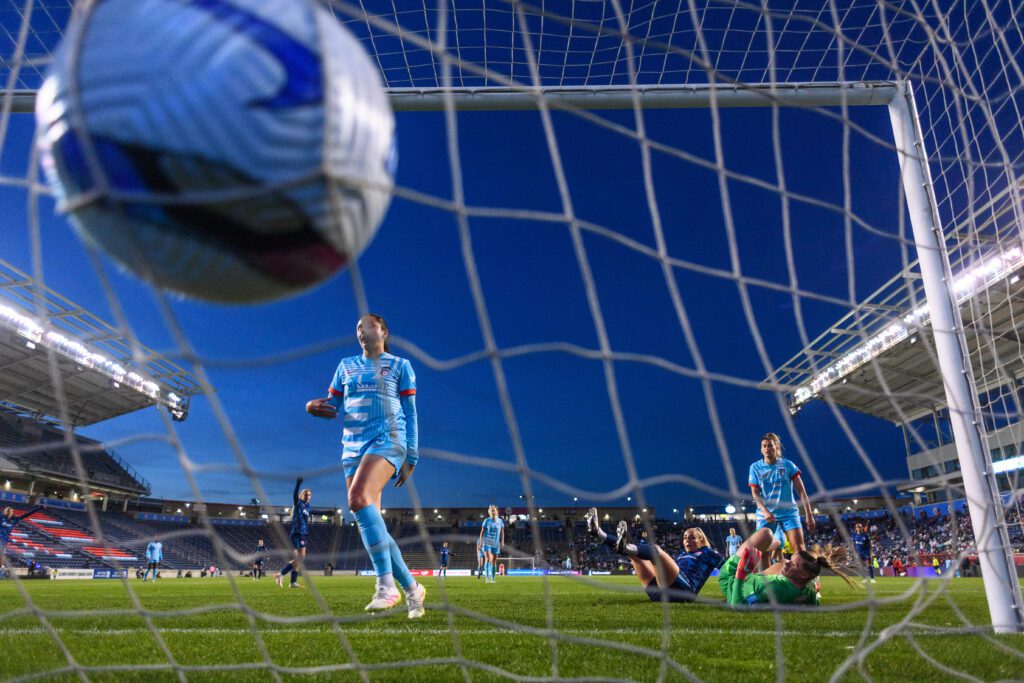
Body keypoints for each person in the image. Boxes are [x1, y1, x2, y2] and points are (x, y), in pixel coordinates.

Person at [306, 313, 425, 618]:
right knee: (371, 522)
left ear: (384, 331)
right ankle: (413, 589)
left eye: (367, 325)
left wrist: (411, 455)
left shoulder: (400, 365)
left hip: (389, 439)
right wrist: (312, 407)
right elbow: (332, 405)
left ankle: (386, 587)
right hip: (352, 448)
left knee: (357, 499)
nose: (361, 330)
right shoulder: (345, 366)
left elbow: (411, 412)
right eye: (357, 327)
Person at [586, 508, 724, 602]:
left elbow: (728, 569)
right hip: (659, 594)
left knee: (656, 551)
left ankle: (626, 546)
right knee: (635, 556)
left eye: (692, 538)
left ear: (701, 540)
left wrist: (732, 594)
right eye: (685, 537)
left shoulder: (709, 553)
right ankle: (598, 533)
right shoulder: (682, 555)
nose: (687, 540)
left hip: (684, 592)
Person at [719, 528, 854, 607]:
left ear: (804, 575)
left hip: (731, 577)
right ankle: (768, 550)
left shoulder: (773, 589)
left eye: (793, 564)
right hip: (759, 579)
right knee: (784, 562)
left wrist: (741, 572)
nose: (788, 563)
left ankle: (768, 548)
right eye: (792, 560)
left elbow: (738, 605)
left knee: (766, 533)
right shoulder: (808, 593)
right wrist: (816, 591)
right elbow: (814, 601)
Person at [748, 433, 815, 565]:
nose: (767, 448)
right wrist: (765, 511)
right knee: (762, 552)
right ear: (761, 449)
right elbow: (755, 494)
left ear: (776, 447)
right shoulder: (755, 467)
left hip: (789, 513)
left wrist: (809, 514)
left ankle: (802, 577)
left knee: (800, 549)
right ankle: (768, 578)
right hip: (766, 515)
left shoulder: (788, 465)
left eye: (770, 445)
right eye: (764, 446)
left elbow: (801, 491)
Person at [276, 478, 311, 589]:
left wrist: (327, 513)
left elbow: (314, 512)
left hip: (304, 533)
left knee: (299, 560)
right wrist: (298, 484)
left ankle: (293, 582)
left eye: (309, 495)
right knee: (300, 559)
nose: (308, 496)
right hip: (297, 532)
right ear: (301, 495)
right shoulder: (298, 503)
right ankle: (280, 574)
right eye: (306, 495)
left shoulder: (307, 506)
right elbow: (294, 494)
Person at [478, 505, 504, 584]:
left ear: (497, 512)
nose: (493, 512)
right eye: (491, 511)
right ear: (489, 512)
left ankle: (492, 579)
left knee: (494, 561)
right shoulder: (486, 521)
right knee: (488, 559)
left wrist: (502, 541)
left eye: (494, 510)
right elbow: (482, 532)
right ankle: (487, 578)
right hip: (487, 542)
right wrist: (480, 542)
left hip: (496, 543)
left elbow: (502, 532)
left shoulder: (500, 521)